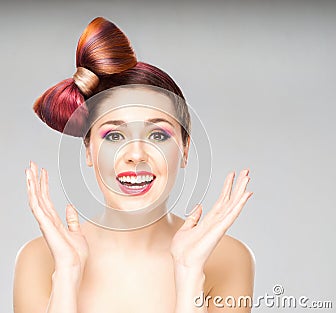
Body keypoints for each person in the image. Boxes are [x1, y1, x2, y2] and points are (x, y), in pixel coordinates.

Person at [13, 17, 254, 313]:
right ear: (89, 151)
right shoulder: (40, 259)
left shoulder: (228, 259)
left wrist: (190, 274)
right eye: (114, 135)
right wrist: (66, 274)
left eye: (157, 135)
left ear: (185, 149)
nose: (136, 154)